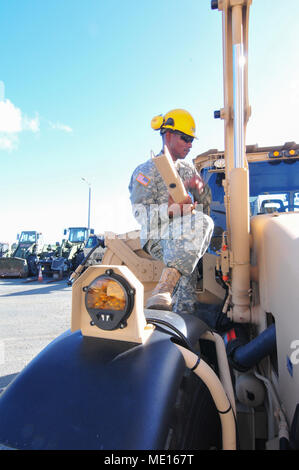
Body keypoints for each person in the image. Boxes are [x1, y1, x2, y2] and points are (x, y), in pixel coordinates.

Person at [128, 108, 214, 314]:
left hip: (186, 235)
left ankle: (178, 322)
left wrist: (200, 189)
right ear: (168, 135)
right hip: (158, 236)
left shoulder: (188, 169)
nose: (190, 144)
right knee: (202, 224)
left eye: (192, 139)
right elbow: (142, 215)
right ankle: (165, 291)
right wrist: (170, 211)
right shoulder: (145, 171)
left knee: (186, 288)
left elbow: (207, 205)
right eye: (185, 138)